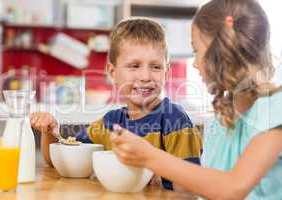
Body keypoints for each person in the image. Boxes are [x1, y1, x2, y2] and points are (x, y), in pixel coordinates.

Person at [110, 0, 282, 199]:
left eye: (196, 51)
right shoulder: (225, 117)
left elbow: (233, 188)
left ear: (220, 53)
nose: (195, 63)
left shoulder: (276, 108)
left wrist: (149, 157)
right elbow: (207, 184)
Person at [30, 17, 202, 191]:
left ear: (166, 74)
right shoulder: (109, 123)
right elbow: (63, 161)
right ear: (112, 73)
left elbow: (193, 183)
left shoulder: (175, 120)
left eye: (156, 67)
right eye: (134, 66)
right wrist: (49, 132)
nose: (145, 76)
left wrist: (160, 176)